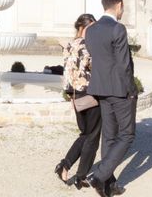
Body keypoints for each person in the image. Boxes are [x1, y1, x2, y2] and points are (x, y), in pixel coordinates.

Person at [85, 0, 135, 197]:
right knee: (127, 135)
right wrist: (132, 90)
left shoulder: (91, 29)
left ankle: (108, 185)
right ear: (119, 5)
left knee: (109, 136)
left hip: (100, 89)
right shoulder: (118, 28)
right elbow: (124, 64)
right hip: (120, 90)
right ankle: (99, 176)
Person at [55, 13, 101, 190]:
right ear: (83, 27)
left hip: (75, 95)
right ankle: (81, 176)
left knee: (85, 134)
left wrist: (69, 93)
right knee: (92, 136)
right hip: (90, 94)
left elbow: (66, 72)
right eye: (92, 27)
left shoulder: (69, 45)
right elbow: (94, 68)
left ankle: (64, 166)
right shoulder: (87, 46)